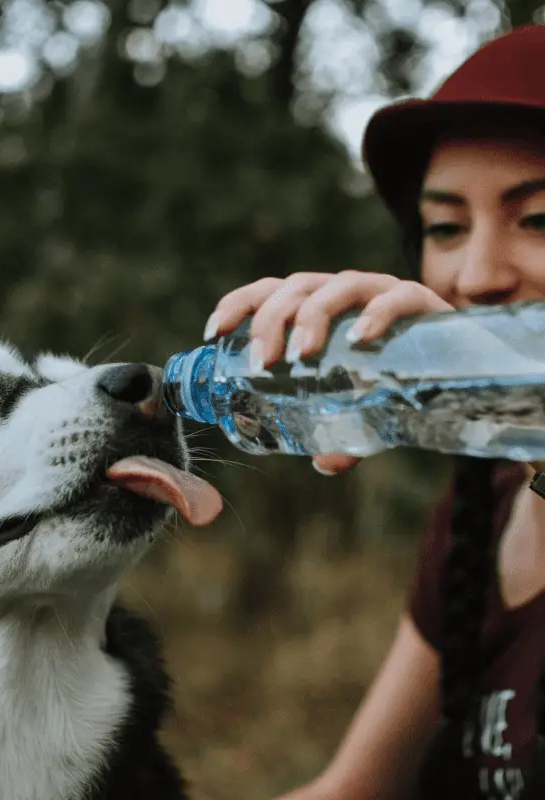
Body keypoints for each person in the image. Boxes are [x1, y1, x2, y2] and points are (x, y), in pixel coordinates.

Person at [204, 25, 545, 800]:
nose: (477, 275)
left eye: (539, 218)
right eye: (444, 229)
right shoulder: (479, 511)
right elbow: (351, 792)